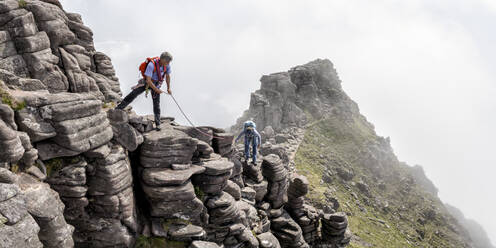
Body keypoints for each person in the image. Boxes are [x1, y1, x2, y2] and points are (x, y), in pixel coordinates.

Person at [116, 51, 173, 131]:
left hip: (156, 84)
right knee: (133, 94)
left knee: (156, 104)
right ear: (162, 59)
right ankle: (118, 108)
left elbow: (167, 76)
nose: (168, 63)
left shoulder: (166, 65)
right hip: (147, 82)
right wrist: (156, 89)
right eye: (167, 61)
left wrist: (168, 88)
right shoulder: (151, 65)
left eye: (169, 62)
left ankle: (158, 123)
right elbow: (149, 81)